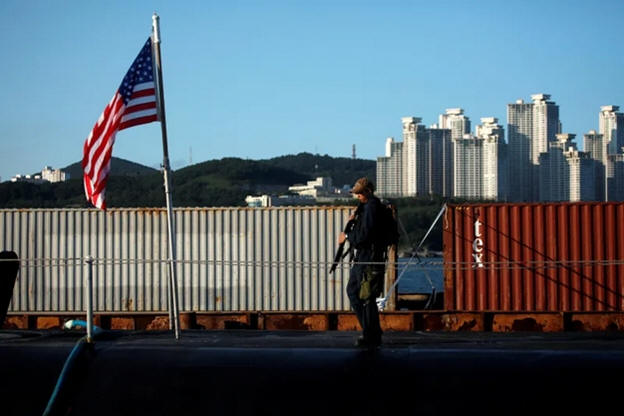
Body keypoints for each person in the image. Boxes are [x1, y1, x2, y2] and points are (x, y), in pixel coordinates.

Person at [338, 177, 385, 348]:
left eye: (359, 193)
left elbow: (364, 236)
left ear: (368, 191)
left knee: (364, 296)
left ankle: (370, 334)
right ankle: (372, 332)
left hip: (368, 258)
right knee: (358, 293)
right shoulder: (367, 207)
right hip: (364, 258)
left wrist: (347, 236)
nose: (357, 196)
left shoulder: (371, 207)